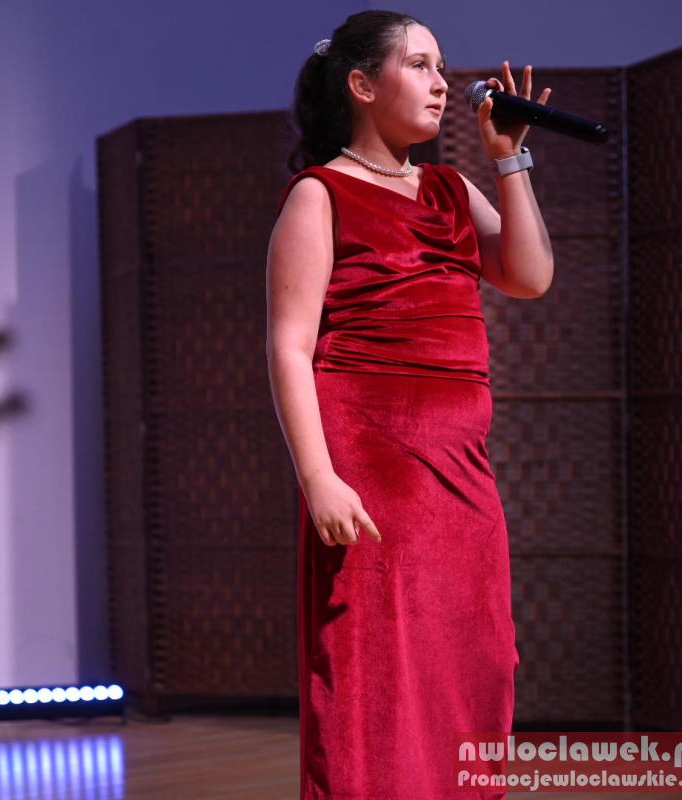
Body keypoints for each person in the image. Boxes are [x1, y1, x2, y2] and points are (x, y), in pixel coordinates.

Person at [266, 9, 553, 798]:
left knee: (473, 662)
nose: (441, 84)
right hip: (371, 471)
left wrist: (510, 158)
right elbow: (289, 347)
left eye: (442, 67)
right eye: (419, 66)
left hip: (460, 476)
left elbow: (530, 276)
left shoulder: (451, 189)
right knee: (374, 674)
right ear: (362, 86)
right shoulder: (320, 195)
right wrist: (318, 478)